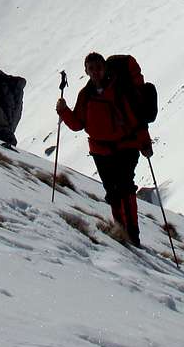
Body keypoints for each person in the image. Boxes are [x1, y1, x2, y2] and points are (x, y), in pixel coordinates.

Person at [56, 52, 152, 247]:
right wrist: (63, 111)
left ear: (104, 67)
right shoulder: (86, 94)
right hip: (101, 151)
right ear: (86, 71)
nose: (96, 72)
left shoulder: (119, 89)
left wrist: (145, 144)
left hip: (125, 146)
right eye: (91, 69)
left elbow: (135, 120)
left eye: (98, 67)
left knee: (125, 186)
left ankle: (132, 234)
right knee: (113, 191)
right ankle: (122, 231)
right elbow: (78, 124)